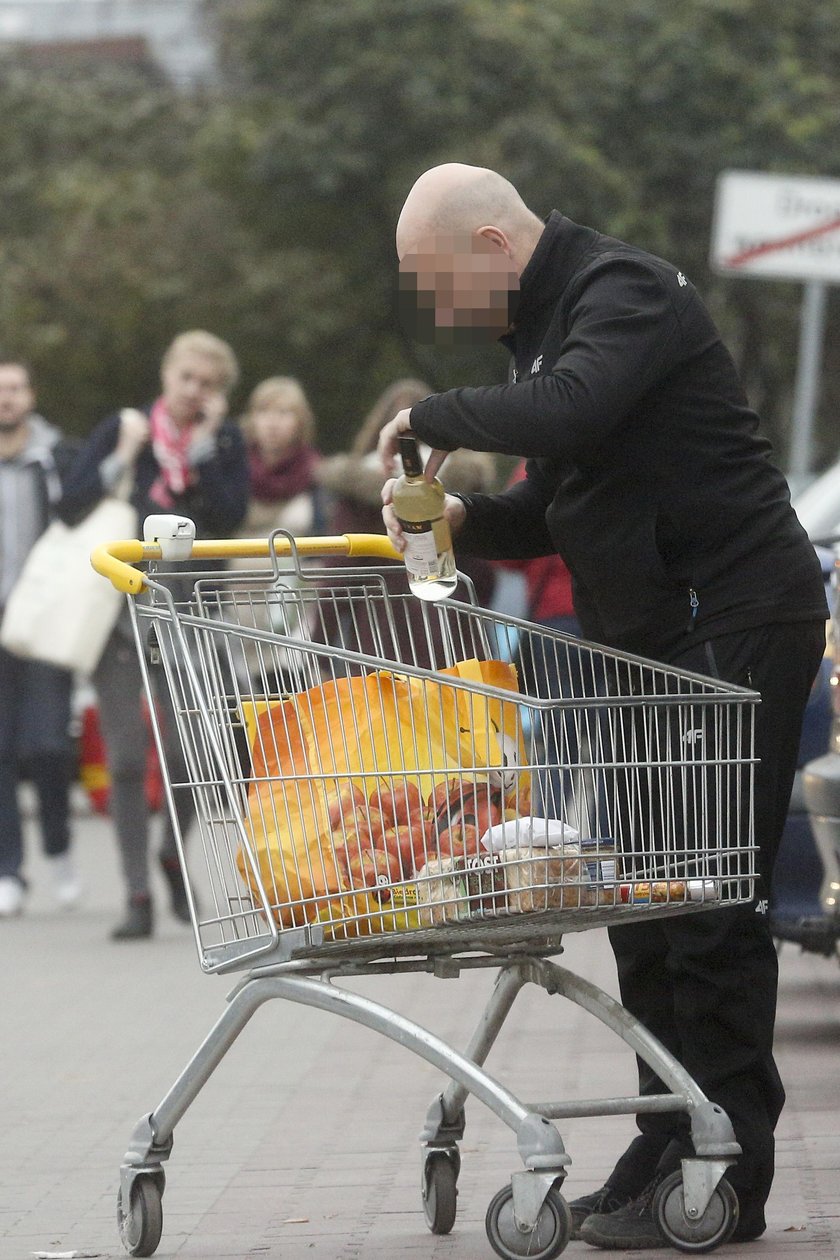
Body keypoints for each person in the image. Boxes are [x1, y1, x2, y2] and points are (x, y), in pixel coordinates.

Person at [379, 164, 827, 1247]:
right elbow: (558, 502)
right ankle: (663, 1141)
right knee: (648, 904)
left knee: (708, 904)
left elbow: (571, 411)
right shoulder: (546, 335)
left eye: (436, 283)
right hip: (655, 643)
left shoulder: (621, 293)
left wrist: (430, 416)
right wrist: (452, 520)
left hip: (728, 617)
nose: (438, 310)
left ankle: (726, 1169)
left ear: (492, 239)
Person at [59, 331, 249, 940]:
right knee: (121, 756)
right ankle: (136, 893)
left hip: (191, 614)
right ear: (167, 374)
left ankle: (173, 850)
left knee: (193, 747)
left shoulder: (222, 442)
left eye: (208, 384)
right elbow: (71, 506)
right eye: (186, 378)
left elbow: (230, 516)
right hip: (118, 616)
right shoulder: (125, 429)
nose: (194, 392)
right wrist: (124, 456)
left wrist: (203, 454)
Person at [316, 378, 498, 668]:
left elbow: (338, 574)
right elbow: (484, 576)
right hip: (456, 638)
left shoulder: (359, 492)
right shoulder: (460, 490)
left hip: (380, 640)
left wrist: (319, 646)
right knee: (458, 710)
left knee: (389, 711)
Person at [0, 359, 81, 916]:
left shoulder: (57, 458)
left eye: (14, 388)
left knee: (48, 744)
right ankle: (10, 871)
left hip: (46, 620)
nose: (6, 398)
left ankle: (59, 848)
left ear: (31, 395)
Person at [239, 375, 323, 540]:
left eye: (283, 412)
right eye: (263, 411)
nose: (272, 422)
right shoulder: (233, 467)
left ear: (301, 422)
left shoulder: (316, 472)